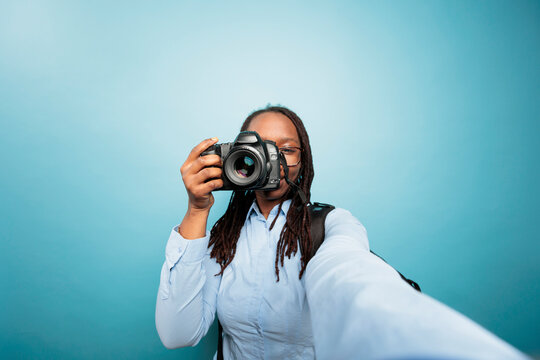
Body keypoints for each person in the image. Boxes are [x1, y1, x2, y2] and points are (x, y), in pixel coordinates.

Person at [155, 106, 528, 360]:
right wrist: (197, 210)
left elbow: (348, 275)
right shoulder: (222, 238)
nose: (273, 160)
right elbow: (177, 334)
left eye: (286, 150)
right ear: (237, 159)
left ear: (303, 164)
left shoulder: (332, 225)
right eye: (259, 150)